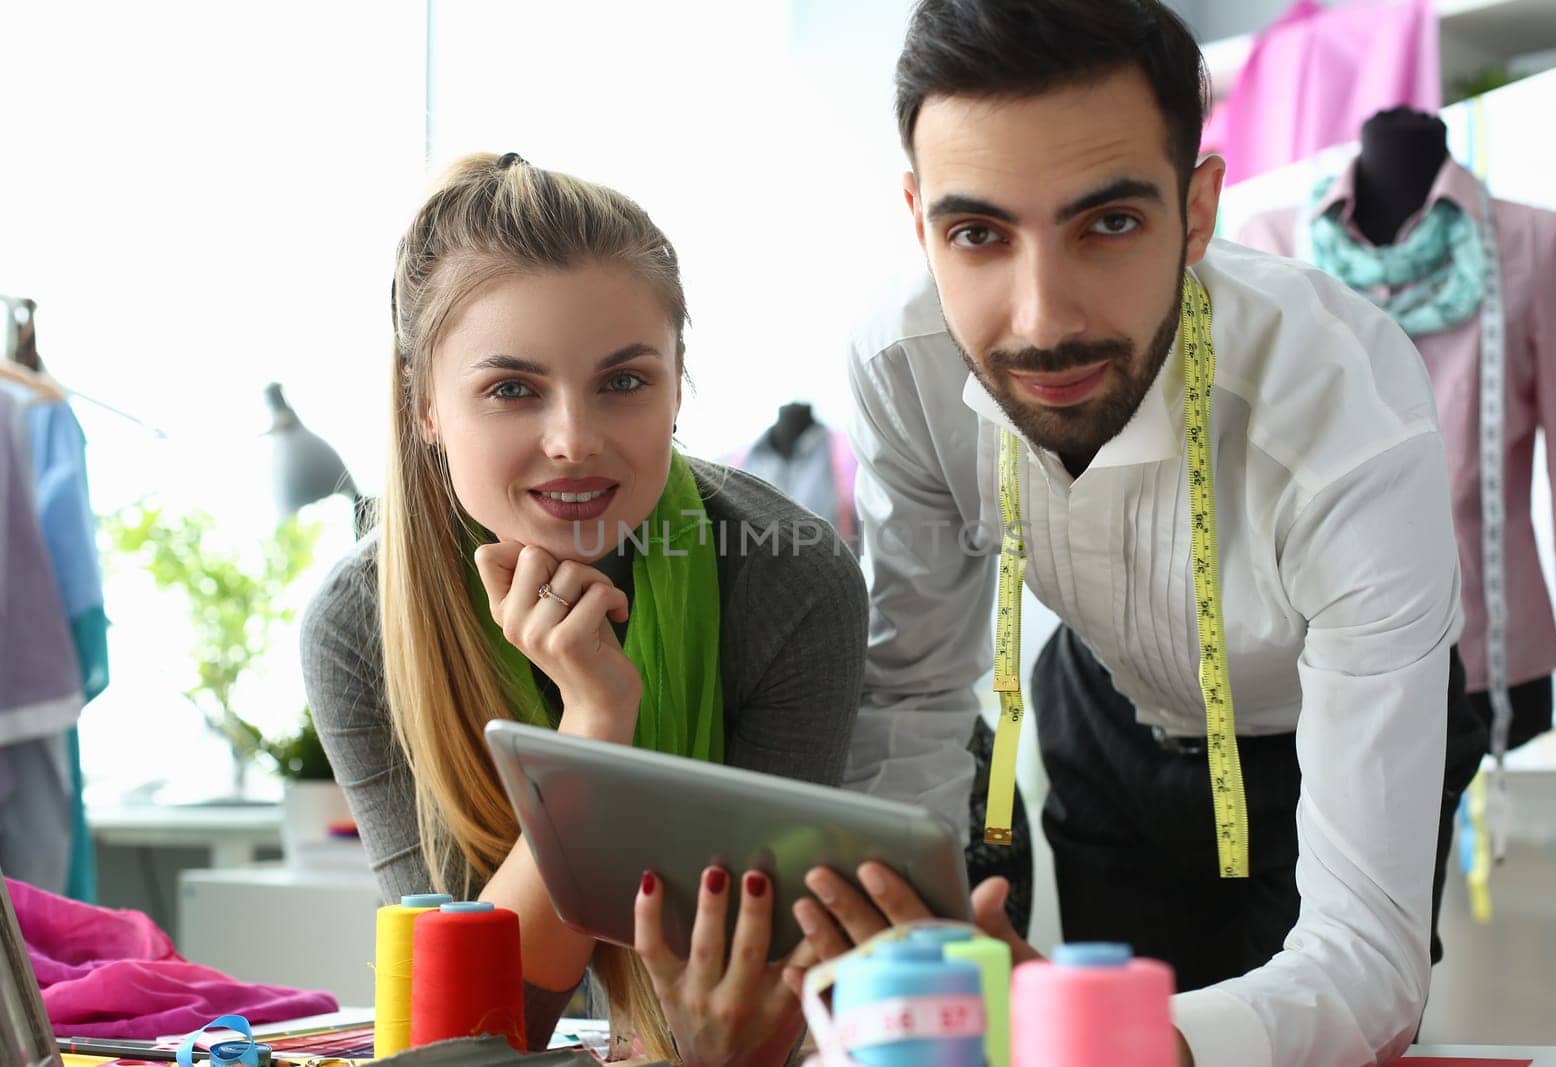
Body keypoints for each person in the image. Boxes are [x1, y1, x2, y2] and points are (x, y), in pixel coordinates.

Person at [792, 3, 1489, 1065]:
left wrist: (1141, 1037)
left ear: (1195, 209)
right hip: (1104, 721)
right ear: (918, 217)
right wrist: (904, 929)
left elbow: (1366, 963)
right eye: (976, 232)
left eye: (1107, 223)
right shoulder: (899, 365)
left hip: (1320, 735)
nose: (1041, 319)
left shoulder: (1347, 412)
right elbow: (917, 690)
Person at [301, 152, 869, 1064]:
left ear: (678, 385)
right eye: (512, 389)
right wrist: (594, 729)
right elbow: (465, 1035)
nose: (573, 440)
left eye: (624, 381)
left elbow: (753, 1020)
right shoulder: (358, 625)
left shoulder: (789, 581)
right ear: (425, 408)